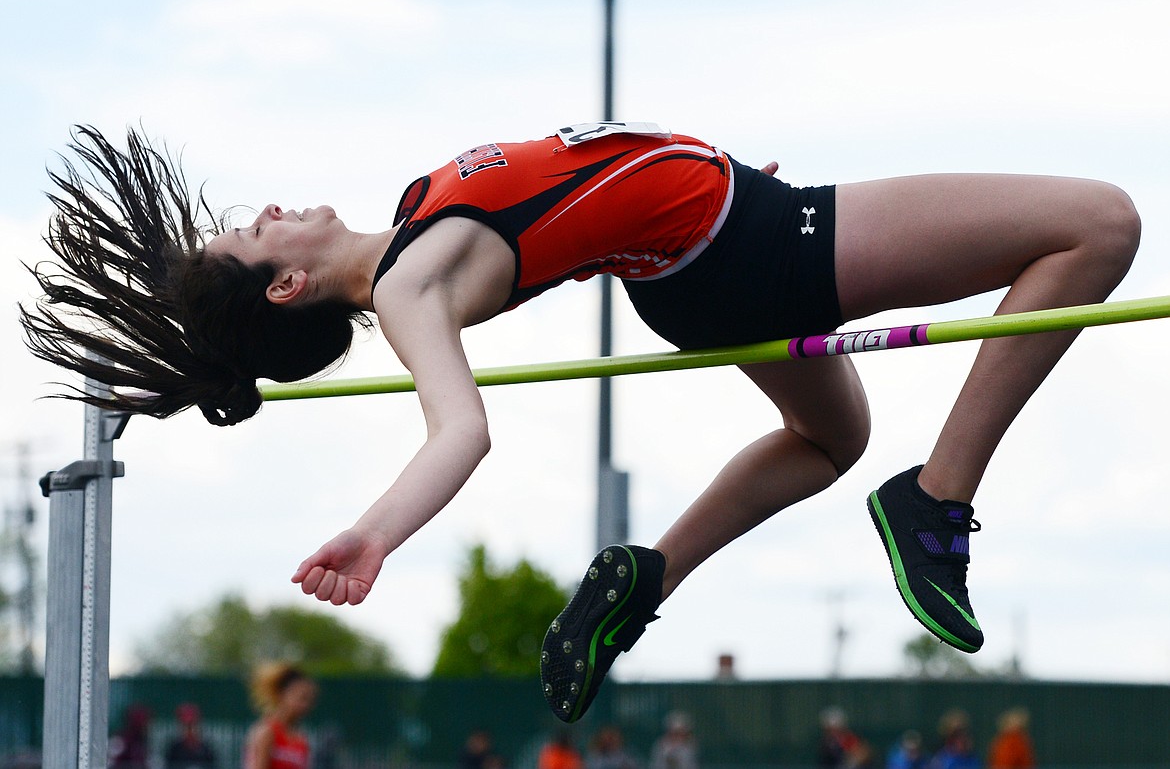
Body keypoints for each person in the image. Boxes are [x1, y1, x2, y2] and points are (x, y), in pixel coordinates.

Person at [22, 123, 1141, 722]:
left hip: (711, 252)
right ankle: (937, 497)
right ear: (283, 289)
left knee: (824, 441)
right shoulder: (411, 286)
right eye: (249, 237)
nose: (265, 212)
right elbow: (459, 430)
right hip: (751, 244)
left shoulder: (416, 215)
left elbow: (588, 191)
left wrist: (699, 171)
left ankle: (646, 577)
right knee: (1096, 226)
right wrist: (375, 533)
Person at [243, 662, 317, 769]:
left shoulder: (301, 739)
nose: (306, 705)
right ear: (281, 694)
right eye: (301, 698)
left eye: (310, 700)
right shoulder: (266, 732)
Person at [164, 703, 218, 769]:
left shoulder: (206, 751)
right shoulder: (174, 750)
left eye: (192, 725)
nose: (189, 729)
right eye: (185, 725)